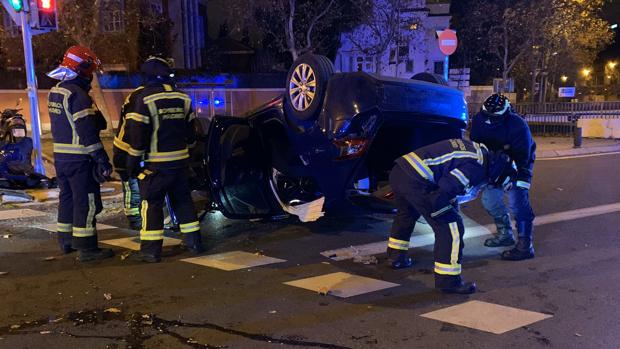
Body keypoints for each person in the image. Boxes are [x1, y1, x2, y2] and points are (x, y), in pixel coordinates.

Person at [386, 139, 515, 294]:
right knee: (451, 226)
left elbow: (448, 180)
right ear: (498, 174)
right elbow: (445, 190)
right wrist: (441, 210)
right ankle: (448, 281)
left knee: (406, 214)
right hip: (417, 181)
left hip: (400, 171)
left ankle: (396, 257)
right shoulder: (477, 168)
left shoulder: (477, 152)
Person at [116, 56, 204, 263]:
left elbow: (137, 138)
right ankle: (194, 243)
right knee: (183, 201)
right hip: (180, 164)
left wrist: (130, 164)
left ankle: (150, 250)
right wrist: (188, 154)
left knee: (151, 204)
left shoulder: (144, 99)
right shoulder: (183, 98)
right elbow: (191, 134)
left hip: (155, 166)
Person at [46, 46, 114, 262]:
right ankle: (87, 248)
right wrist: (102, 159)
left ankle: (66, 241)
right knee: (86, 201)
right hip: (80, 158)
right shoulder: (79, 96)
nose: (91, 75)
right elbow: (88, 132)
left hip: (62, 158)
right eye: (90, 70)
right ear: (82, 69)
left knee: (67, 199)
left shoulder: (57, 91)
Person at [470, 94, 536, 261]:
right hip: (493, 163)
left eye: (495, 118)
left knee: (517, 199)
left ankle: (525, 245)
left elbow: (523, 156)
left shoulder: (517, 125)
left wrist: (511, 177)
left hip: (518, 163)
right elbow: (476, 146)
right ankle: (505, 234)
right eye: (488, 117)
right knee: (489, 200)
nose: (490, 121)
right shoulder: (479, 120)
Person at [113, 88, 144, 231]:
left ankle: (140, 217)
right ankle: (135, 220)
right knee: (132, 187)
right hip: (126, 149)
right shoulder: (138, 97)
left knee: (137, 187)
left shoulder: (137, 95)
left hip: (134, 148)